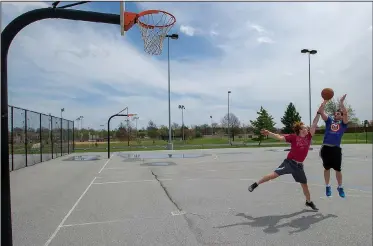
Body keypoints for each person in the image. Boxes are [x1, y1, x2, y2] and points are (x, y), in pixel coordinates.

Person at [248, 110, 322, 211]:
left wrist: (319, 112)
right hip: (290, 163)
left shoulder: (308, 137)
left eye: (307, 128)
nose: (307, 129)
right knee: (274, 175)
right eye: (305, 128)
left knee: (304, 184)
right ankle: (255, 184)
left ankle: (308, 202)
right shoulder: (294, 137)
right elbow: (279, 137)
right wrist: (269, 133)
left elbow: (314, 123)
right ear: (300, 130)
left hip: (299, 166)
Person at [317, 94, 348, 198]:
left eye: (338, 114)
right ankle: (327, 186)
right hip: (326, 147)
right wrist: (325, 101)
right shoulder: (329, 121)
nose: (336, 115)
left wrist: (341, 103)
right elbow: (321, 111)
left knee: (338, 169)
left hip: (336, 148)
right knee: (326, 168)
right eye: (335, 114)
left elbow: (346, 113)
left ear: (341, 115)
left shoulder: (343, 124)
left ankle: (340, 187)